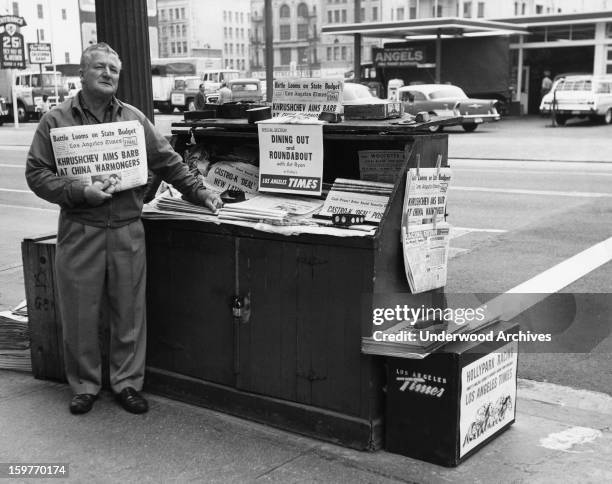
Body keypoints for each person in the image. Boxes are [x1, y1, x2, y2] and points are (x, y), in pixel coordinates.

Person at [26, 43, 223, 416]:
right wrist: (80, 191)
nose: (107, 74)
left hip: (126, 230)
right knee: (80, 313)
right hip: (80, 228)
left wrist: (201, 192)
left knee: (129, 314)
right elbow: (37, 174)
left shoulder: (134, 119)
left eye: (114, 70)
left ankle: (127, 384)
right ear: (81, 74)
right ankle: (84, 386)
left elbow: (169, 162)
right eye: (99, 67)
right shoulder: (55, 120)